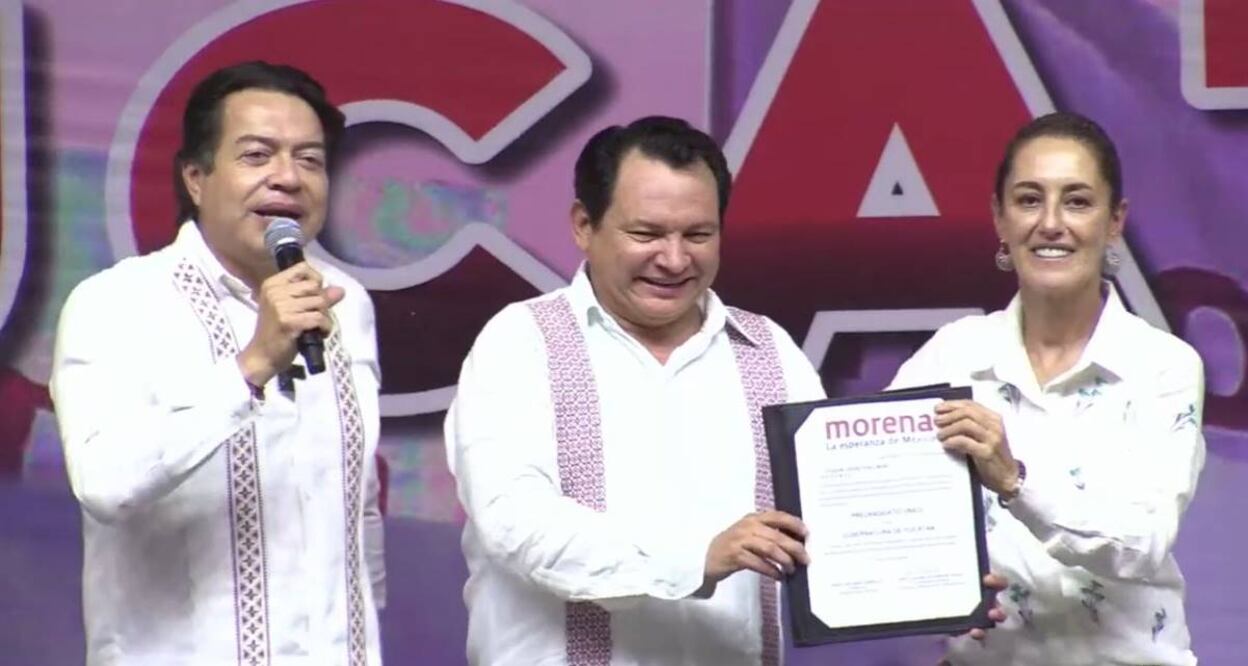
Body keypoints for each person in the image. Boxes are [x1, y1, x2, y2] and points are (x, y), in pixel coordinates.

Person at [444, 116, 823, 665]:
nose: (673, 259)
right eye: (645, 234)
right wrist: (697, 559)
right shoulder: (521, 343)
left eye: (698, 234)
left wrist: (938, 578)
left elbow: (829, 507)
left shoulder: (769, 351)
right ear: (583, 225)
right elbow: (515, 521)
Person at [50, 61, 385, 665]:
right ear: (197, 178)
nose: (288, 178)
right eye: (258, 155)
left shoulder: (344, 303)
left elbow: (355, 507)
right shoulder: (116, 303)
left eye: (310, 160)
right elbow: (103, 483)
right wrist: (251, 364)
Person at [890, 112, 1205, 666]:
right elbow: (877, 497)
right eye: (1029, 200)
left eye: (1078, 201)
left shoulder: (1164, 367)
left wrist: (1013, 480)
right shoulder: (952, 355)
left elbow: (1143, 543)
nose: (1051, 223)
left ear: (1115, 222)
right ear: (1000, 218)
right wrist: (932, 586)